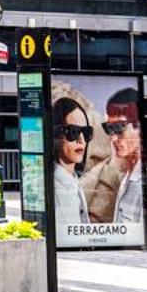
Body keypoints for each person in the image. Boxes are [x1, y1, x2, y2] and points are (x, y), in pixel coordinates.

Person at [83, 88, 145, 226]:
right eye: (109, 129)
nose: (113, 138)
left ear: (139, 127)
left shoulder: (141, 180)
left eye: (118, 128)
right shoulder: (126, 177)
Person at [51, 98, 90, 231]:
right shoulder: (54, 185)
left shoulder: (74, 179)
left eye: (86, 132)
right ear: (57, 134)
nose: (81, 141)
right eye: (73, 132)